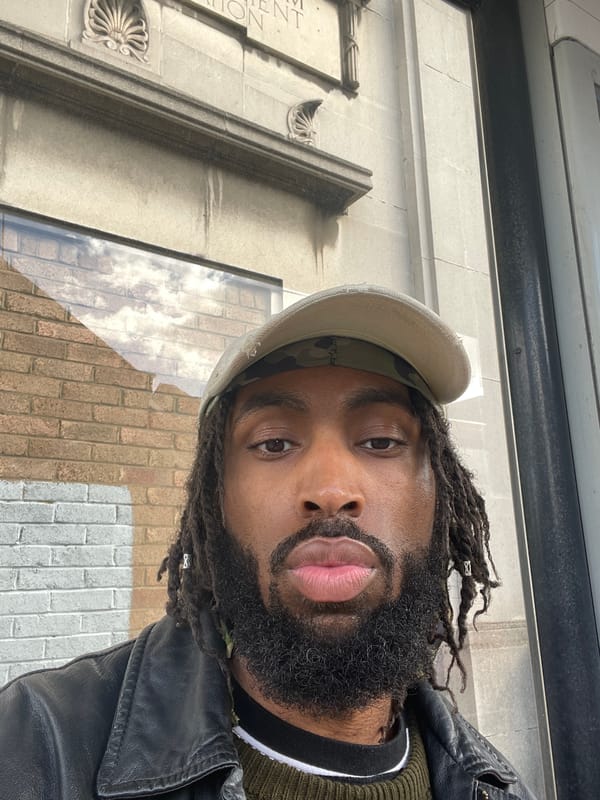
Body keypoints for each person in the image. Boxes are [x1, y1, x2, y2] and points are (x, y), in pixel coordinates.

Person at [0, 284, 536, 799]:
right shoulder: (38, 741)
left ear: (440, 499)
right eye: (274, 443)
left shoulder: (497, 787)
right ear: (217, 502)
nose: (331, 492)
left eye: (381, 441)